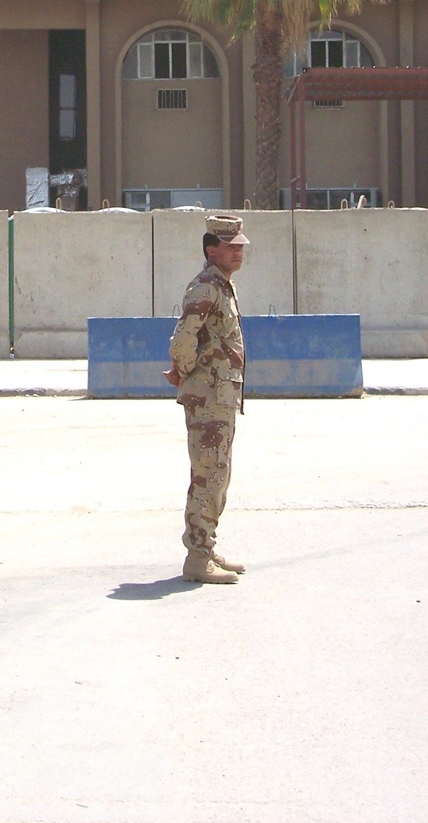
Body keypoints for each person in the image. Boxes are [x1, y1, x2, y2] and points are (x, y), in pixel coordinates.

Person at [165, 213, 249, 585]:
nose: (238, 252)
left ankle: (206, 547)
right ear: (211, 250)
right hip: (209, 396)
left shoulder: (222, 286)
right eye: (230, 247)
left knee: (217, 473)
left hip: (220, 395)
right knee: (208, 473)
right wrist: (183, 372)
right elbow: (183, 338)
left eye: (240, 246)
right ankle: (197, 558)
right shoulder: (206, 287)